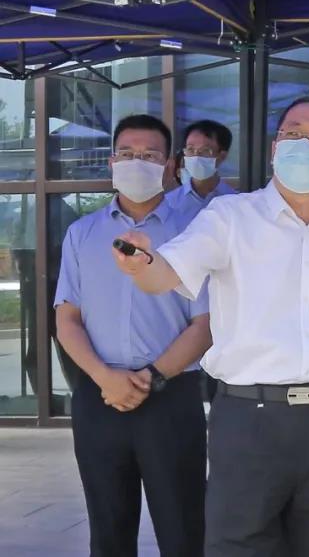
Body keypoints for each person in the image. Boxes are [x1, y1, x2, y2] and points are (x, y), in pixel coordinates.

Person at [112, 95, 309, 557]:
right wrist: (140, 263)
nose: (303, 143)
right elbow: (167, 271)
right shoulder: (230, 218)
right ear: (275, 149)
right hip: (248, 419)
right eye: (293, 133)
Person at [54, 114, 211, 557]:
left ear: (170, 165)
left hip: (171, 397)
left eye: (149, 155)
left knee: (183, 532)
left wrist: (151, 378)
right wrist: (105, 377)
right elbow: (67, 319)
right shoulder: (82, 233)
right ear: (111, 162)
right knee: (108, 533)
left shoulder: (195, 231)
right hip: (99, 397)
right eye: (126, 153)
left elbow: (206, 324)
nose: (135, 162)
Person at [166, 119, 237, 230]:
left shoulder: (234, 201)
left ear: (222, 156)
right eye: (190, 149)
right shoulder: (169, 203)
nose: (196, 156)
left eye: (205, 150)